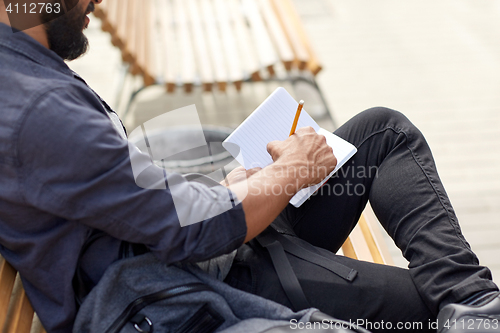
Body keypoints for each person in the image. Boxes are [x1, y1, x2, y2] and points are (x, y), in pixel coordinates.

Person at [1, 0, 500, 332]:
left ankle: (477, 305)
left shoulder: (23, 68)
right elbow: (196, 231)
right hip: (202, 278)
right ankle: (473, 308)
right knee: (427, 308)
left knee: (381, 132)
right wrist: (288, 173)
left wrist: (227, 186)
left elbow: (125, 197)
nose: (95, 2)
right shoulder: (40, 110)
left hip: (201, 245)